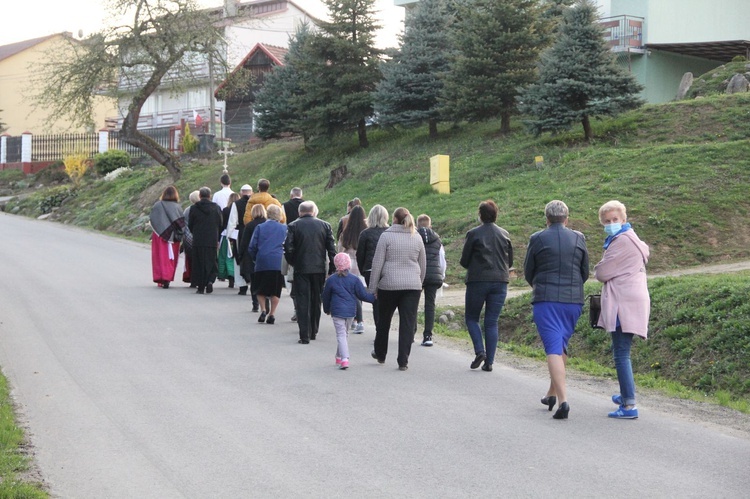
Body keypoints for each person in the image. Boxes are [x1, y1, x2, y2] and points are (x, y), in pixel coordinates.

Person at [524, 200, 589, 420]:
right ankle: (551, 394)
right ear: (567, 218)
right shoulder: (579, 238)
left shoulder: (537, 238)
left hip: (546, 299)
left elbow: (528, 271)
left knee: (552, 348)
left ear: (547, 218)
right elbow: (585, 271)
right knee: (561, 345)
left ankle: (564, 401)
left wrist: (540, 286)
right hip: (573, 301)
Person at [594, 200, 650, 420]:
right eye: (607, 221)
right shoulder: (631, 238)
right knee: (622, 351)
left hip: (623, 302)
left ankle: (629, 405)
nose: (611, 224)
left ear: (624, 219)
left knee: (621, 354)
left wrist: (599, 267)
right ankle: (626, 394)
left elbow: (602, 272)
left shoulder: (621, 242)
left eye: (615, 220)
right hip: (631, 298)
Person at [369, 207, 426, 371]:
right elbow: (423, 264)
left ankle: (380, 353)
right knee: (407, 323)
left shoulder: (386, 236)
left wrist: (373, 287)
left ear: (394, 219)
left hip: (389, 285)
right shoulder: (417, 237)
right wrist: (419, 283)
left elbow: (377, 263)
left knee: (384, 320)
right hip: (412, 286)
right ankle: (403, 360)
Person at [460, 200, 513, 373]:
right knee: (491, 322)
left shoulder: (473, 234)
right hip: (500, 281)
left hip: (478, 280)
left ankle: (479, 351)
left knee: (472, 318)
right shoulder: (505, 234)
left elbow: (464, 261)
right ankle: (489, 362)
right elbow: (509, 261)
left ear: (480, 215)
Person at [284, 201, 337, 344]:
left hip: (301, 268)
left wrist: (293, 261)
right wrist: (332, 268)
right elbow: (332, 249)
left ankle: (304, 335)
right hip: (319, 268)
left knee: (302, 300)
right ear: (313, 212)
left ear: (299, 212)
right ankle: (314, 330)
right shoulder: (325, 226)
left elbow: (287, 248)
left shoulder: (293, 225)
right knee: (315, 299)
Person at [323, 253, 376, 370]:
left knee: (341, 335)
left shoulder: (331, 280)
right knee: (343, 334)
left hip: (337, 312)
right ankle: (339, 356)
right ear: (349, 264)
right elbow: (362, 295)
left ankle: (344, 359)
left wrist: (326, 309)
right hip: (351, 312)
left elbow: (325, 296)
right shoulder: (354, 280)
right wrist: (374, 299)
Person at [249, 205, 288, 324]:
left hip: (262, 260)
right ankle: (272, 313)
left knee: (260, 288)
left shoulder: (260, 227)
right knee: (276, 290)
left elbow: (252, 246)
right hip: (277, 262)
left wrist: (256, 258)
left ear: (267, 213)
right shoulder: (284, 228)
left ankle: (263, 309)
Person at [356, 204, 389, 330]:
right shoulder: (390, 231)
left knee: (376, 301)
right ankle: (385, 326)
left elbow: (360, 254)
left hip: (370, 270)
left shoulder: (365, 234)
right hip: (387, 270)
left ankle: (379, 329)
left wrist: (363, 271)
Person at [417, 214, 446, 347]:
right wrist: (442, 274)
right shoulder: (437, 240)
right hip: (434, 275)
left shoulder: (414, 237)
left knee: (412, 305)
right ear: (430, 225)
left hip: (417, 275)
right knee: (430, 305)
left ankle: (411, 331)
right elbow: (442, 260)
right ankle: (428, 335)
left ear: (417, 225)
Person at [148, 186, 185, 289]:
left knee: (159, 257)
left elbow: (152, 219)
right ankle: (167, 277)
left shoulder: (157, 205)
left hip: (159, 235)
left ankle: (161, 277)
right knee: (171, 258)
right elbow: (181, 224)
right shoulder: (177, 207)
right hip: (173, 237)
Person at [338, 205, 367, 333]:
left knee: (352, 293)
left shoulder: (346, 233)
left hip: (349, 264)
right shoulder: (366, 232)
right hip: (362, 265)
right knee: (359, 293)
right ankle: (358, 320)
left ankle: (357, 320)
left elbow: (340, 250)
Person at [188, 187, 223, 294]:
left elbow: (190, 224)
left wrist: (195, 232)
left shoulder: (194, 208)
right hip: (212, 239)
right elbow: (221, 223)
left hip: (198, 239)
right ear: (210, 195)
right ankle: (210, 281)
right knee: (211, 261)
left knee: (198, 262)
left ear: (200, 196)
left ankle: (200, 286)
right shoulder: (216, 208)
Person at [238, 204, 267, 312]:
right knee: (264, 281)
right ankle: (266, 303)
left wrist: (240, 255)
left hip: (252, 257)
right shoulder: (267, 224)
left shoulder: (249, 225)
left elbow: (244, 242)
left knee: (254, 282)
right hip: (265, 256)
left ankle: (255, 304)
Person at [227, 184, 253, 295]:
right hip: (255, 231)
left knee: (239, 258)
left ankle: (242, 286)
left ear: (241, 193)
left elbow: (232, 221)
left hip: (241, 233)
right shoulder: (255, 203)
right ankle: (253, 281)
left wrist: (229, 236)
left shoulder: (236, 204)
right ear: (251, 192)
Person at [283, 187, 304, 321]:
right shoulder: (308, 205)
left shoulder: (284, 206)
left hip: (291, 245)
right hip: (306, 246)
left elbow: (283, 223)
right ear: (301, 196)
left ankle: (297, 308)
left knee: (293, 279)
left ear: (291, 196)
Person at [218, 192, 239, 288]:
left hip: (226, 235)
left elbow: (222, 224)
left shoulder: (225, 210)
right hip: (236, 235)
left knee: (224, 256)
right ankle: (233, 275)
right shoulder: (239, 208)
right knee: (233, 257)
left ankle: (224, 274)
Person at [181, 190, 200, 285]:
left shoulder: (187, 209)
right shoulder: (199, 209)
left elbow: (183, 224)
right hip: (198, 237)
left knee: (190, 259)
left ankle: (192, 278)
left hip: (188, 237)